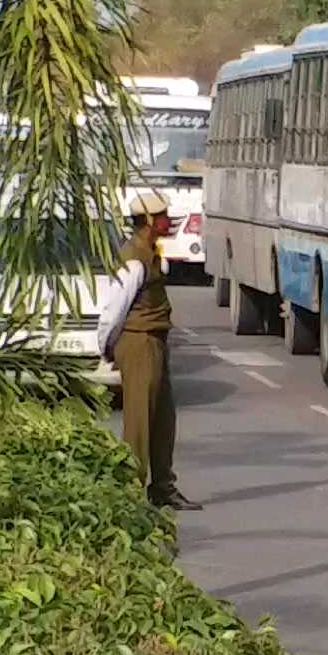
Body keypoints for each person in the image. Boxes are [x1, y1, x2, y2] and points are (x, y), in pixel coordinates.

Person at [98, 192, 200, 510]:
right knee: (140, 420)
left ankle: (162, 487)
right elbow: (115, 307)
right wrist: (106, 345)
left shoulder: (150, 251)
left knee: (163, 418)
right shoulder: (134, 258)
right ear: (147, 222)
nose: (168, 220)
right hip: (139, 341)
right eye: (162, 215)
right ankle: (131, 492)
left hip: (154, 340)